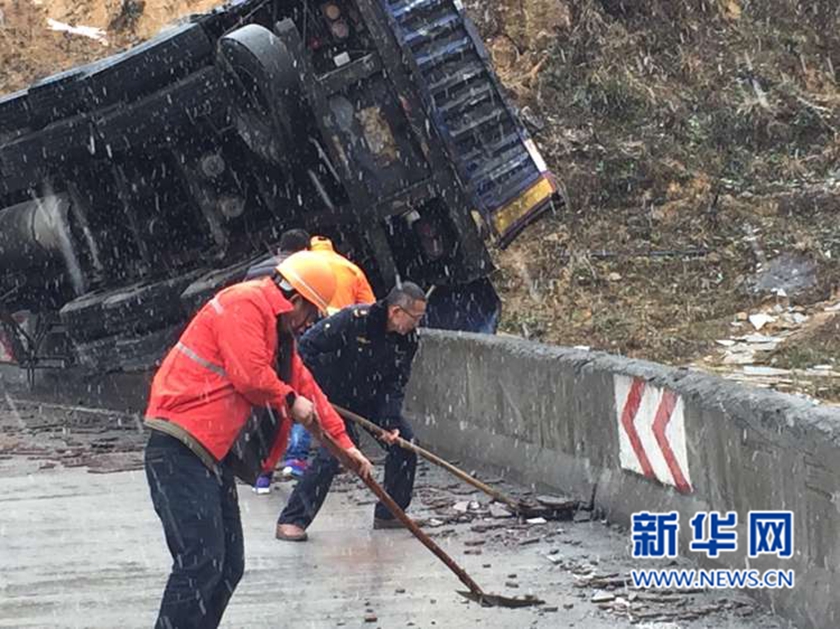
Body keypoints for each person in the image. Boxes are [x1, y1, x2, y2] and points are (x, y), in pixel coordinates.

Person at [143, 251, 373, 629]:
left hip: (207, 455)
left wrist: (344, 446)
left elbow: (309, 391)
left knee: (228, 565)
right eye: (310, 313)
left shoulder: (278, 336)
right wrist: (287, 400)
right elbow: (250, 376)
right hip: (178, 445)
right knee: (201, 562)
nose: (309, 323)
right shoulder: (244, 304)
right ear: (295, 300)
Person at [275, 282, 427, 542]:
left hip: (372, 401)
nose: (417, 323)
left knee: (405, 444)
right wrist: (314, 391)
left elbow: (396, 382)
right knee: (335, 452)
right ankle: (292, 519)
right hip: (333, 397)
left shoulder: (409, 339)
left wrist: (390, 421)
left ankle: (390, 513)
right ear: (396, 311)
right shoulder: (353, 320)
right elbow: (307, 348)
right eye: (415, 317)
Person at [244, 228, 312, 493]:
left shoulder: (256, 270)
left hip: (259, 344)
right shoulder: (300, 271)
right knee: (295, 398)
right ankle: (295, 458)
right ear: (305, 250)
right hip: (289, 341)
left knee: (265, 408)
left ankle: (262, 471)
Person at [309, 235, 376, 312]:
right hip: (345, 321)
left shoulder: (302, 269)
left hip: (319, 320)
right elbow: (370, 307)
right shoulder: (353, 268)